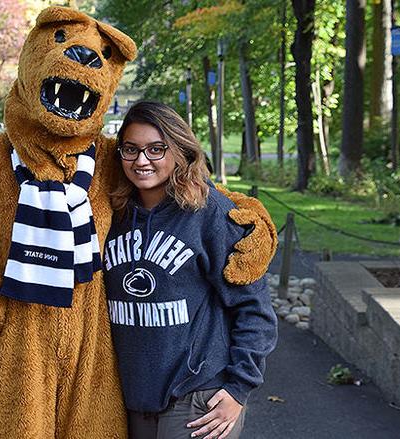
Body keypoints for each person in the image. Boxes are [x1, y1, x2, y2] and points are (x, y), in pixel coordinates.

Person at [103, 101, 278, 439]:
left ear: (180, 149)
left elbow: (254, 309)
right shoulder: (112, 214)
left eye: (156, 149)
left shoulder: (210, 213)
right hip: (130, 398)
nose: (142, 161)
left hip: (198, 397)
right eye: (131, 149)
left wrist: (239, 389)